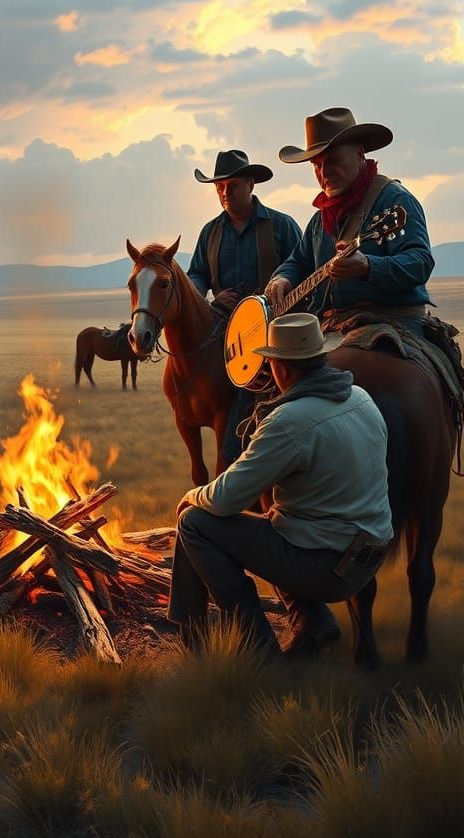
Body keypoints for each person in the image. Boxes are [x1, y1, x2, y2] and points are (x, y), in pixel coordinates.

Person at [168, 314, 392, 657]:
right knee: (275, 518)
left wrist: (192, 495)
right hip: (370, 555)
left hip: (328, 567)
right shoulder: (361, 397)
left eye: (270, 363)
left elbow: (226, 499)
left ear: (282, 369)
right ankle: (313, 617)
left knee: (194, 523)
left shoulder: (289, 421)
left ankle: (257, 651)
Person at [264, 108, 433, 339]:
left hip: (393, 321)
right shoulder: (320, 219)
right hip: (331, 326)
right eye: (316, 164)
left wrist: (368, 266)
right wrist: (282, 278)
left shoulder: (395, 200)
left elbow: (420, 261)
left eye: (333, 160)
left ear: (360, 154)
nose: (324, 172)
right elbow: (298, 261)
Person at [187, 149, 302, 463]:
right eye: (219, 186)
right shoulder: (210, 232)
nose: (225, 192)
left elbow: (302, 267)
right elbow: (196, 273)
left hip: (270, 331)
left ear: (251, 183)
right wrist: (207, 297)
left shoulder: (281, 225)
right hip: (223, 329)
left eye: (233, 184)